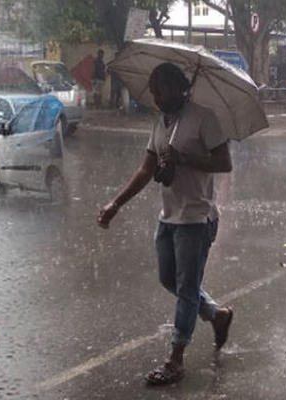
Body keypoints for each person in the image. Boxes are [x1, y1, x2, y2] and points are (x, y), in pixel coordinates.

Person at [96, 62, 234, 385]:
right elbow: (146, 169)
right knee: (168, 279)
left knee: (186, 289)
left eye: (161, 90)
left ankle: (175, 359)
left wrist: (184, 158)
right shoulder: (162, 123)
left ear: (179, 87)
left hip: (196, 219)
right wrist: (115, 204)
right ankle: (216, 314)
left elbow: (223, 162)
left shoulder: (204, 118)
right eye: (154, 91)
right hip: (169, 217)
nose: (156, 97)